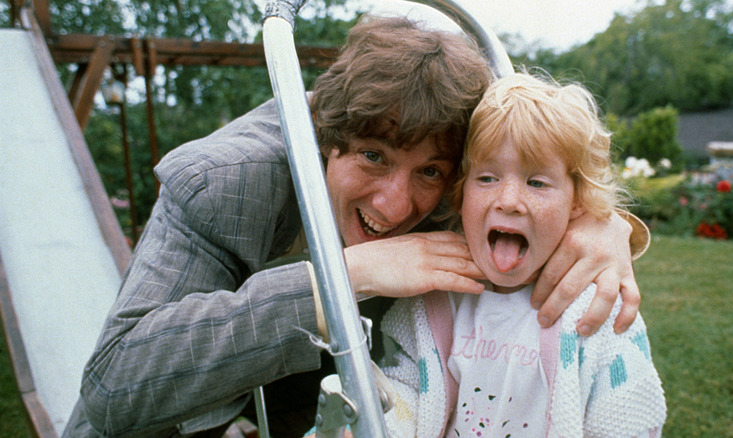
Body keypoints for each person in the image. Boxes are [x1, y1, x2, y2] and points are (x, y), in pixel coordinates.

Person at [63, 17, 647, 438]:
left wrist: (601, 225)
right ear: (326, 136)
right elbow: (115, 387)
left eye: (431, 171)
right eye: (372, 157)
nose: (394, 205)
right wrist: (340, 279)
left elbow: (531, 169)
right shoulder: (226, 182)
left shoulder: (456, 187)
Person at [377, 71, 665, 437]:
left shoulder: (597, 311)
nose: (509, 201)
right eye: (487, 178)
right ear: (460, 194)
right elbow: (403, 394)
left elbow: (628, 420)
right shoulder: (435, 300)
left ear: (577, 203)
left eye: (536, 182)